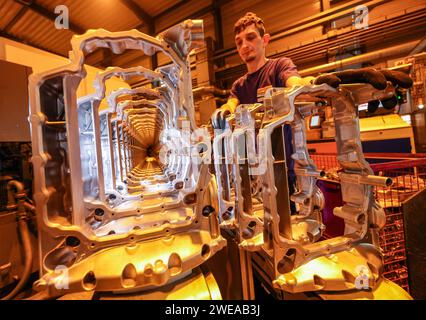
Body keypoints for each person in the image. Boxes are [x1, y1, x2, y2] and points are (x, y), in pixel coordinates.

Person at [212, 12, 302, 212]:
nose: (244, 45)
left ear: (265, 40)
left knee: (286, 224)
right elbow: (231, 104)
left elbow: (294, 83)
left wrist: (306, 85)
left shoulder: (280, 66)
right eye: (239, 42)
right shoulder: (239, 85)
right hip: (251, 172)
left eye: (251, 37)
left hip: (282, 168)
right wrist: (225, 110)